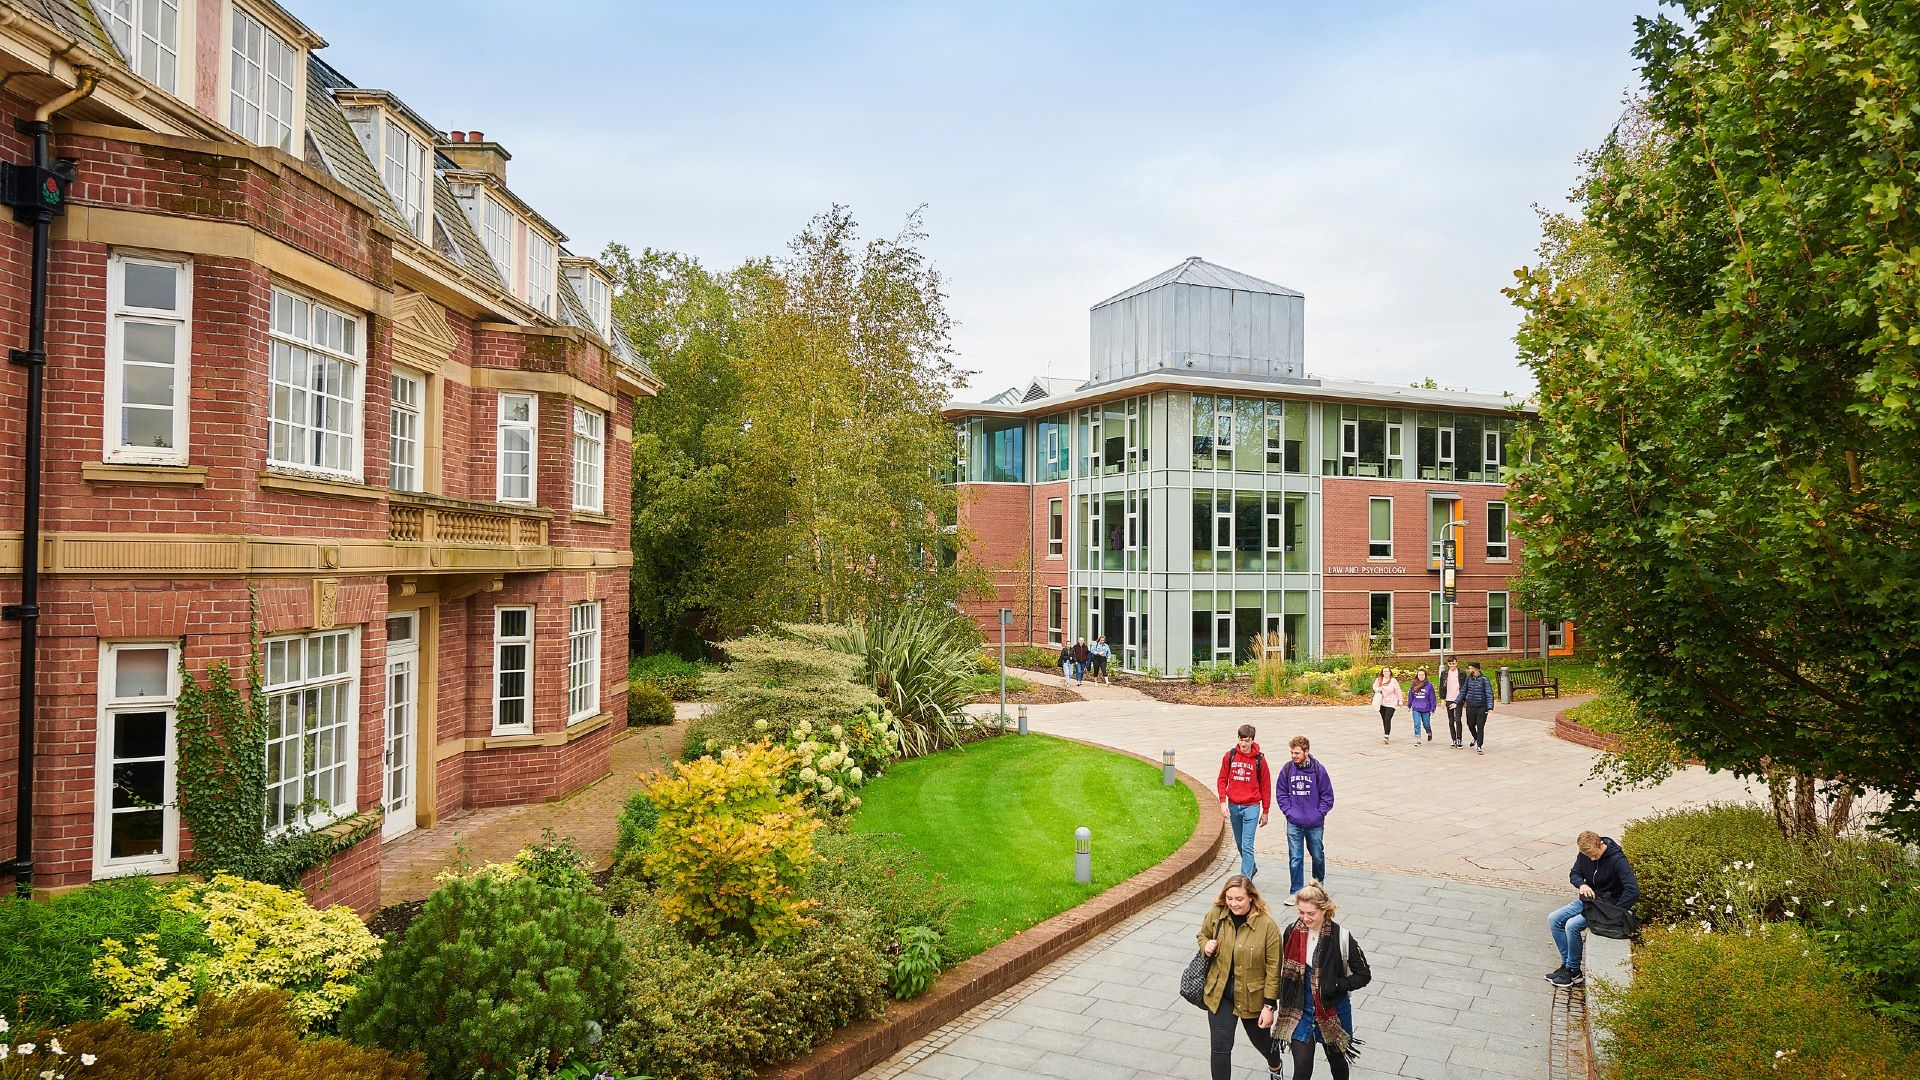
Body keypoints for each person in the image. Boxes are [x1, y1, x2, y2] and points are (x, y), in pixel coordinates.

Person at [1273, 880, 1370, 1079]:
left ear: (1324, 910)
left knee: (1338, 1064)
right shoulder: (1292, 931)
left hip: (1332, 1008)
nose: (1305, 918)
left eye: (1311, 913)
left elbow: (1364, 975)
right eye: (1301, 912)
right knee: (1301, 1070)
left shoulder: (1341, 937)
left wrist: (1337, 985)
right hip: (1299, 1007)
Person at [1196, 874, 1285, 1080]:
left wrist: (1269, 1006)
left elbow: (1274, 967)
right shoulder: (1217, 914)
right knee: (1220, 1047)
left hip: (1252, 997)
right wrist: (1205, 945)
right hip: (1221, 994)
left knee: (1263, 1043)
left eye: (1239, 899)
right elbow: (1203, 934)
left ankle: (1275, 1065)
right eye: (1229, 898)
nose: (1233, 904)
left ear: (1251, 898)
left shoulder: (1267, 926)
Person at [1547, 831, 1641, 987]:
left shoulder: (1618, 860)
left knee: (1572, 925)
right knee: (1554, 919)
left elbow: (1633, 890)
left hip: (1606, 906)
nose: (1591, 858)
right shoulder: (1584, 854)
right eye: (1587, 855)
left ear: (1600, 845)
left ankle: (1574, 970)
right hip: (1588, 901)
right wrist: (1582, 884)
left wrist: (1615, 911)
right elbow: (1575, 873)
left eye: (1594, 855)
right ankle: (1567, 966)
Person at [1276, 735, 1334, 901]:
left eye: (1297, 753)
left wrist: (1318, 813)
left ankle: (1318, 885)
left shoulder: (1318, 769)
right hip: (1294, 821)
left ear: (1306, 752)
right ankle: (1295, 891)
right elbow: (1281, 793)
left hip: (1314, 823)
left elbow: (1328, 796)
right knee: (1295, 857)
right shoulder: (1287, 769)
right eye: (1292, 753)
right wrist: (1289, 811)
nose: (1293, 756)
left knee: (1317, 854)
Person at [1217, 725, 1274, 879]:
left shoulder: (1259, 760)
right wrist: (1222, 802)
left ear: (1252, 740)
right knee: (1240, 843)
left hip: (1252, 806)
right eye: (1241, 740)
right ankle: (1252, 867)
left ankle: (1245, 881)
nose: (1243, 744)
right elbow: (1222, 780)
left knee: (1247, 844)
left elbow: (1266, 786)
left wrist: (1266, 811)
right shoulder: (1230, 756)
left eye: (1246, 741)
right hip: (1234, 805)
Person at [1462, 661, 1496, 755]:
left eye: (1471, 668)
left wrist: (1490, 708)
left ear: (1476, 669)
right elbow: (1463, 691)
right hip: (1471, 706)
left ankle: (1479, 746)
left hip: (1482, 707)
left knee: (1480, 726)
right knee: (1470, 724)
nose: (1469, 670)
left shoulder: (1484, 680)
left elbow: (1489, 694)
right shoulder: (1469, 679)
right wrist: (1457, 702)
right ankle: (1476, 737)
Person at [1370, 666, 1402, 744]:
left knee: (1388, 718)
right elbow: (1374, 687)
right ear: (1382, 672)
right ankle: (1386, 732)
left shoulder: (1393, 681)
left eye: (1387, 671)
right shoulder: (1379, 680)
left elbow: (1398, 690)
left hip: (1391, 702)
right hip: (1381, 702)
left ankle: (1386, 736)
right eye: (1384, 671)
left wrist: (1400, 700)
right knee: (1384, 719)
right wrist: (1378, 689)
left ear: (1390, 672)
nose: (1386, 673)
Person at [1440, 656, 1467, 748]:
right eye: (1450, 664)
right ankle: (1453, 739)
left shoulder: (1462, 673)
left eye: (1454, 663)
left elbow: (1465, 687)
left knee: (1458, 719)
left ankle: (1459, 739)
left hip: (1458, 699)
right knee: (1451, 721)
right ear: (1448, 664)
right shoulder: (1444, 673)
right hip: (1449, 699)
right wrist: (1442, 699)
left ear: (1457, 663)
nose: (1452, 665)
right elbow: (1442, 687)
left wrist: (1465, 699)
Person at [1406, 668, 1436, 746]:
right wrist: (1409, 705)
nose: (1421, 676)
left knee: (1426, 724)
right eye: (1419, 675)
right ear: (1417, 675)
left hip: (1426, 708)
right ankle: (1418, 739)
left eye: (1422, 675)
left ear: (1425, 676)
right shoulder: (1413, 685)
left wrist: (1433, 709)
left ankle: (1429, 732)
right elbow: (1411, 696)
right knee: (1417, 723)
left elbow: (1432, 697)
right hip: (1416, 708)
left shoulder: (1429, 686)